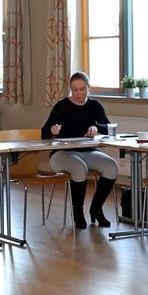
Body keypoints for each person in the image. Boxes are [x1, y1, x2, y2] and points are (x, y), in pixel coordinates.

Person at [40, 71, 118, 229]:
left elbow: (109, 127)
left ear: (88, 88)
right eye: (74, 90)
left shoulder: (94, 106)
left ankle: (96, 209)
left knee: (111, 166)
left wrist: (97, 127)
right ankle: (78, 212)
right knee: (79, 168)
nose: (78, 94)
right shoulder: (62, 106)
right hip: (61, 154)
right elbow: (44, 132)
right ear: (70, 89)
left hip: (87, 151)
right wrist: (52, 130)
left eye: (82, 89)